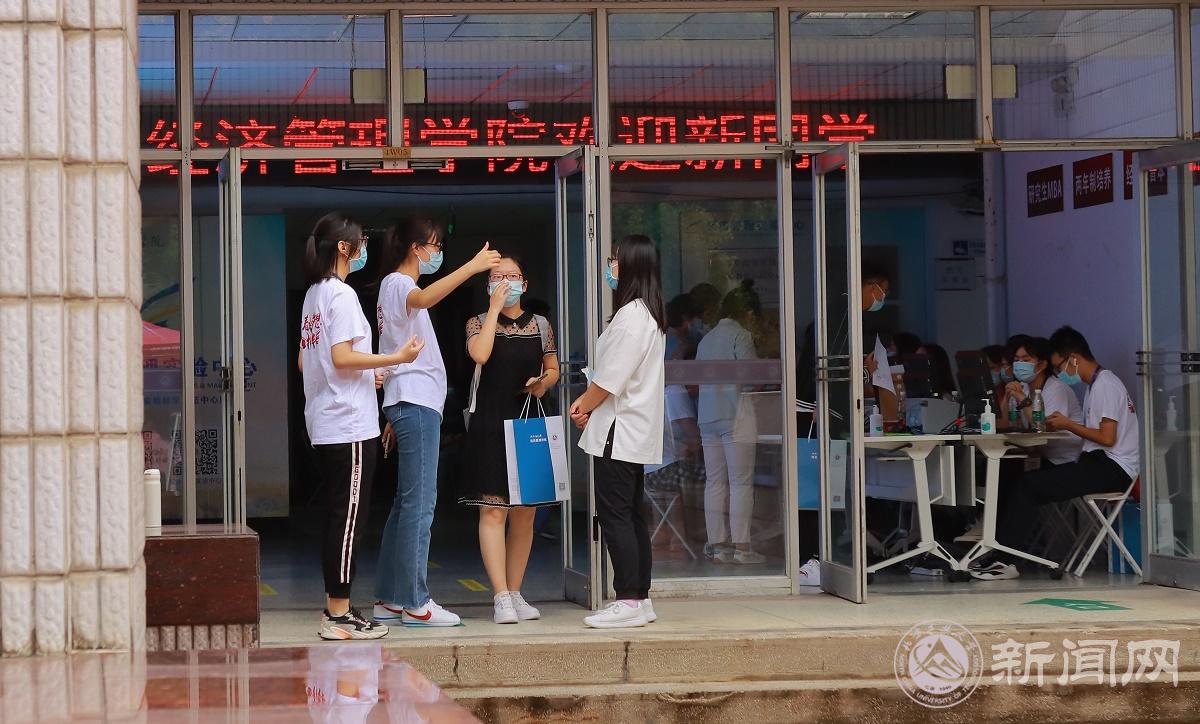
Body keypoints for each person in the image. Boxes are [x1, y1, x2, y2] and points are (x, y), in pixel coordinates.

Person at [298, 212, 424, 640]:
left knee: (339, 517)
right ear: (344, 248)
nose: (365, 247)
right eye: (361, 241)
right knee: (349, 520)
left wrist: (364, 373)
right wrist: (395, 358)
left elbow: (310, 362)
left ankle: (336, 608)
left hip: (325, 421)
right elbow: (341, 357)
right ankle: (338, 614)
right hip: (349, 424)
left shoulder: (314, 295)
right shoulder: (341, 294)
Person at [372, 217, 500, 628]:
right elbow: (424, 298)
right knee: (419, 504)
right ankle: (415, 601)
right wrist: (471, 267)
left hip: (408, 402)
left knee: (406, 503)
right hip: (415, 403)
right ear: (415, 248)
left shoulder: (392, 287)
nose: (438, 253)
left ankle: (391, 599)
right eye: (435, 246)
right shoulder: (399, 284)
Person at [972, 326, 1139, 581]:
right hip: (1099, 463)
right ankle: (999, 552)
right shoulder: (1098, 385)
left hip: (1113, 468)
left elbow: (1107, 438)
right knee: (1018, 480)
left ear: (1074, 358)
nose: (1059, 372)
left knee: (1028, 485)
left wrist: (1067, 424)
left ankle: (1006, 560)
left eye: (1060, 366)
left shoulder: (1105, 385)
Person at [569, 235, 667, 629]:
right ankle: (639, 597)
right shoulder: (648, 314)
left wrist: (583, 405)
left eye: (614, 260)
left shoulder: (631, 317)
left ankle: (628, 599)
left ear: (630, 266)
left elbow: (610, 379)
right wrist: (590, 402)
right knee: (630, 514)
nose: (610, 266)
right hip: (631, 429)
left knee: (615, 516)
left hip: (618, 429)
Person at [458, 255, 560, 624]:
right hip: (489, 423)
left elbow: (553, 368)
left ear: (525, 283)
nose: (506, 281)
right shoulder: (476, 322)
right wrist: (493, 309)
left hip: (529, 421)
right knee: (493, 510)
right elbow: (480, 354)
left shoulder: (541, 325)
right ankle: (500, 595)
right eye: (498, 276)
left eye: (512, 275)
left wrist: (543, 383)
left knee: (525, 512)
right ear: (488, 285)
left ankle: (515, 591)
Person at [696, 281, 764, 565]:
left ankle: (718, 545)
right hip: (736, 414)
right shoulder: (741, 336)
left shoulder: (706, 339)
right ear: (747, 313)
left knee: (714, 482)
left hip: (707, 416)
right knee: (740, 483)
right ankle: (742, 547)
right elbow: (752, 378)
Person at [1001, 337, 1084, 465]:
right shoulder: (1023, 387)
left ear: (1042, 365)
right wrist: (1006, 398)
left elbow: (1044, 427)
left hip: (1063, 460)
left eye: (1025, 360)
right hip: (1038, 457)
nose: (1019, 364)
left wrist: (1023, 400)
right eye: (1016, 360)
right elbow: (1002, 425)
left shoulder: (1057, 388)